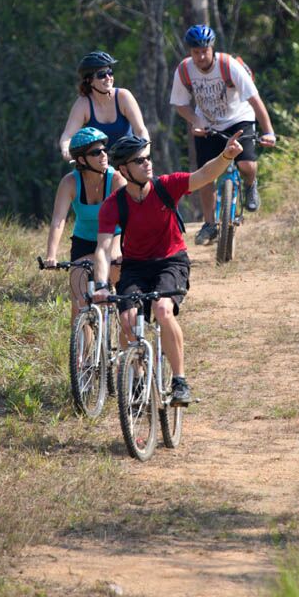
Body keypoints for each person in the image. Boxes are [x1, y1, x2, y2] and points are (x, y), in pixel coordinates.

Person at [93, 131, 245, 406]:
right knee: (127, 319)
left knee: (163, 309)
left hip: (171, 260)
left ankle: (179, 380)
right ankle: (138, 380)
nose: (148, 164)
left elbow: (203, 176)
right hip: (135, 267)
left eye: (148, 158)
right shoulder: (113, 205)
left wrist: (226, 156)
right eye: (140, 161)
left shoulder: (166, 186)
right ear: (124, 170)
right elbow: (103, 249)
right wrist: (102, 285)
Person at [169, 24, 276, 246]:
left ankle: (250, 185)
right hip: (207, 124)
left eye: (204, 51)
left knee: (246, 165)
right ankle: (209, 223)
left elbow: (255, 99)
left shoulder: (228, 65)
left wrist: (269, 132)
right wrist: (196, 121)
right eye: (195, 52)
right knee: (205, 176)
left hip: (239, 118)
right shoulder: (184, 70)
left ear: (212, 48)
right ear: (190, 51)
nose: (200, 56)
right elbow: (180, 104)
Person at [44, 127, 125, 322]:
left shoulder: (116, 179)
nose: (103, 155)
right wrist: (51, 255)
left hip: (113, 236)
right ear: (81, 160)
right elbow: (58, 220)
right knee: (80, 301)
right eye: (96, 152)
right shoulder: (70, 182)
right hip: (84, 241)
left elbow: (130, 218)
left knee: (115, 272)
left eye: (104, 150)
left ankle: (121, 335)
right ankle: (83, 352)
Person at [59, 51, 149, 160]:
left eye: (110, 73)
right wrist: (66, 149)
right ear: (89, 80)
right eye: (102, 75)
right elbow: (67, 135)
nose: (108, 77)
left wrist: (143, 153)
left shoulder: (123, 96)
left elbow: (141, 130)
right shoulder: (83, 104)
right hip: (99, 166)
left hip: (127, 162)